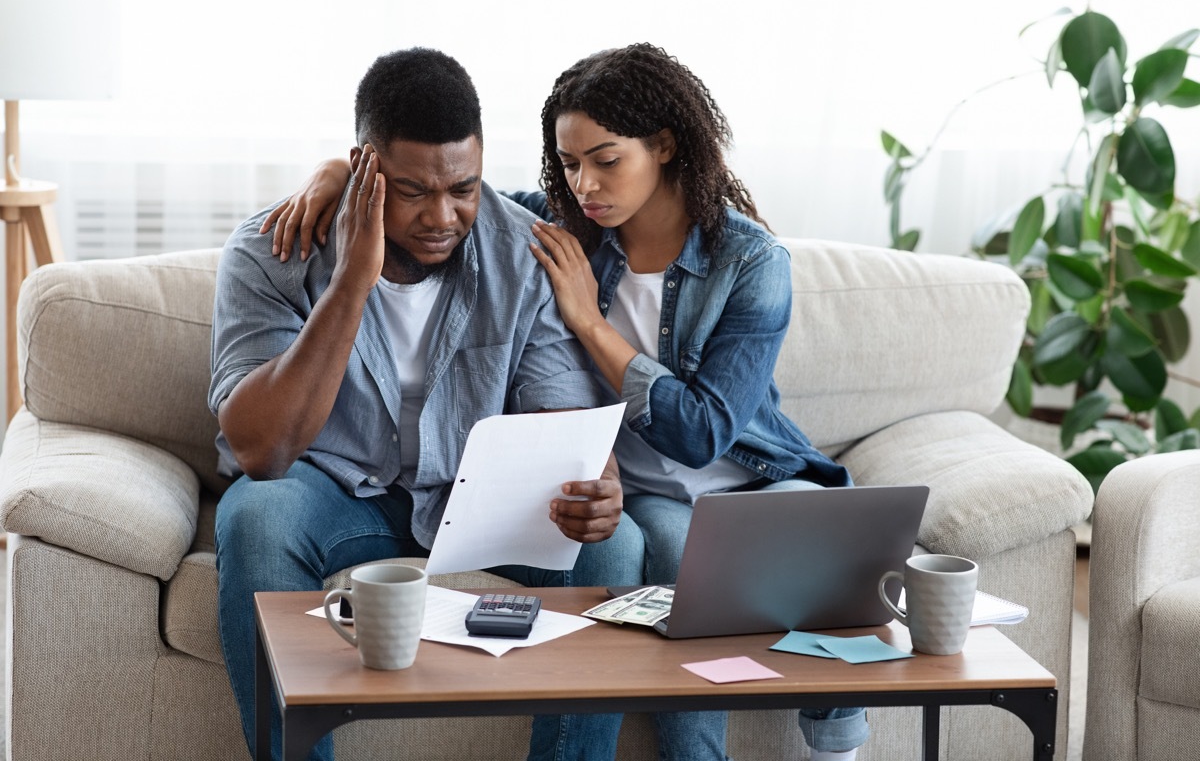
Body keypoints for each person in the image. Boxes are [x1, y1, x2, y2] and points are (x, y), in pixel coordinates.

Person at [269, 44, 865, 761]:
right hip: (642, 493)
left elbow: (703, 433)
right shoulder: (565, 231)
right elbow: (451, 199)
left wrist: (590, 323)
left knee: (833, 548)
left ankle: (837, 744)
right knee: (672, 544)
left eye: (606, 160)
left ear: (666, 146)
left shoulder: (751, 262)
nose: (586, 184)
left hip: (748, 472)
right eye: (570, 162)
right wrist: (341, 172)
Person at [209, 47, 644, 761]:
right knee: (256, 517)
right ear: (363, 167)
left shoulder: (521, 252)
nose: (443, 216)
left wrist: (597, 481)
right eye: (413, 191)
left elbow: (561, 421)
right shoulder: (273, 250)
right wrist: (354, 277)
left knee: (619, 543)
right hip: (337, 500)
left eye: (463, 188)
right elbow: (262, 449)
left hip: (480, 506)